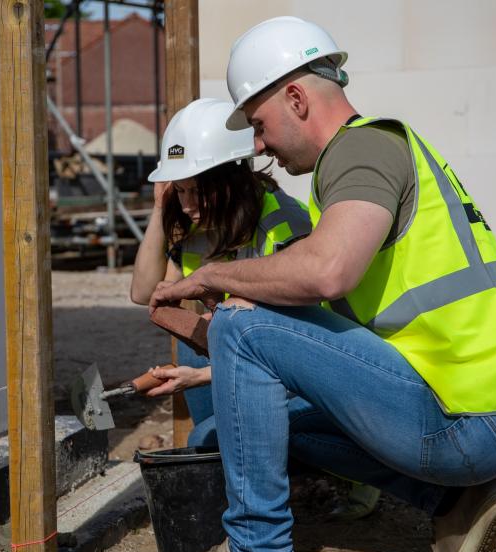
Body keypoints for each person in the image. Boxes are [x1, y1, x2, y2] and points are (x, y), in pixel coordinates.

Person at [141, 16, 496, 552]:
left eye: (258, 124)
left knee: (238, 327)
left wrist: (211, 279)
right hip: (486, 414)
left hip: (466, 420)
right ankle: (453, 507)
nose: (258, 146)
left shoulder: (361, 148)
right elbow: (334, 309)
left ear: (298, 99)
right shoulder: (380, 153)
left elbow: (328, 271)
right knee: (271, 410)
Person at [131, 97, 381, 517]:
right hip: (246, 369)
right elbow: (143, 292)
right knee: (198, 332)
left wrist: (200, 376)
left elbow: (299, 348)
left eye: (197, 190)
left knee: (205, 440)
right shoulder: (195, 230)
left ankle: (360, 471)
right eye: (182, 190)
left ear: (230, 179)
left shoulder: (284, 224)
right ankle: (253, 474)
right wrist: (160, 210)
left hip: (308, 377)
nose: (188, 204)